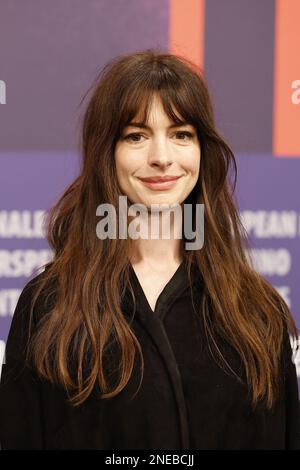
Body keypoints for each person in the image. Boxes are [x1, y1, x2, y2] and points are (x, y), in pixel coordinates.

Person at [0, 49, 299, 450]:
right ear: (107, 153)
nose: (161, 158)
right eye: (136, 136)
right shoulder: (48, 306)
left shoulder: (258, 311)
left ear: (201, 152)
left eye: (181, 134)